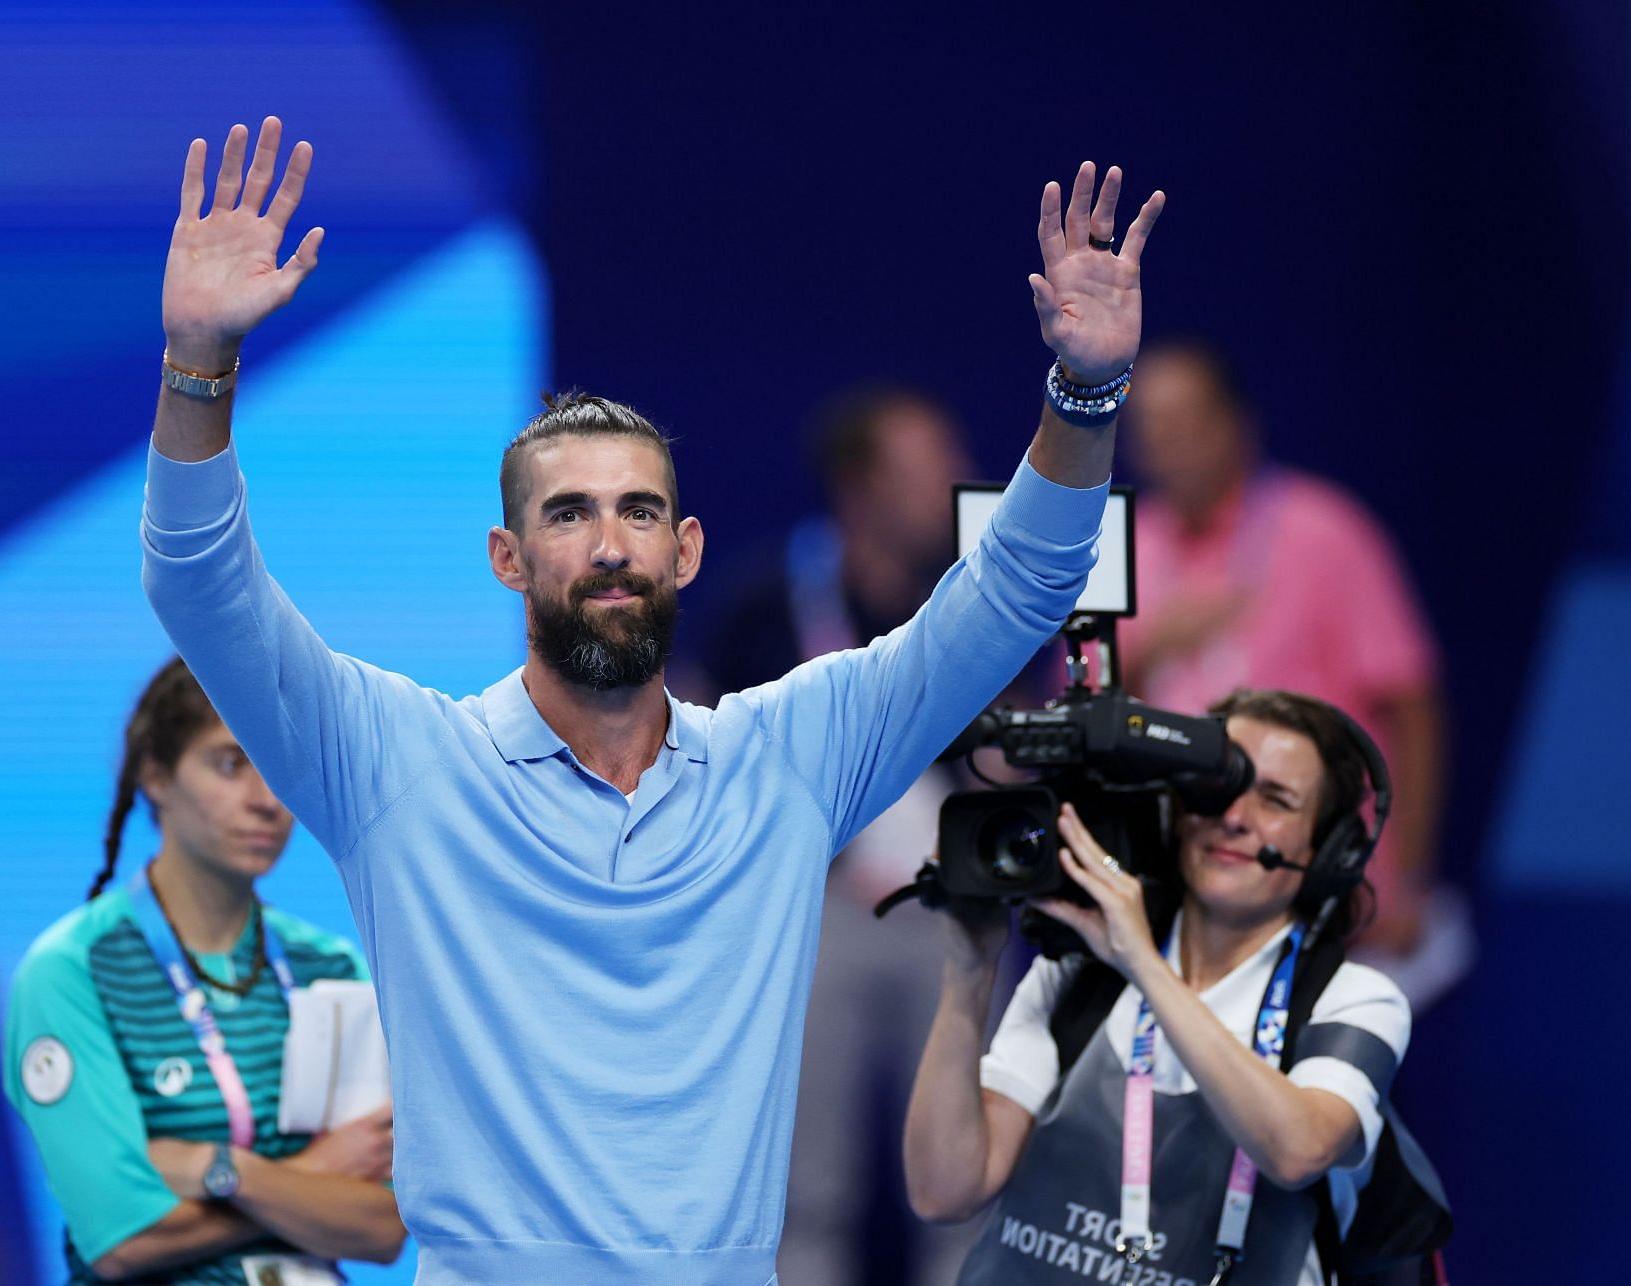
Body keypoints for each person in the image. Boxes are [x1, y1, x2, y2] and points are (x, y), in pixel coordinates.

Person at [141, 114, 1163, 1281]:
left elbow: (1018, 586)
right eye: (567, 513)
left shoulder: (787, 757)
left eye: (636, 511)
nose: (609, 541)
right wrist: (198, 367)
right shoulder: (398, 760)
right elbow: (198, 585)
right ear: (506, 558)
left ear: (684, 550)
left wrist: (1085, 390)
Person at [903, 689, 1412, 1285]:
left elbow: (1298, 1150)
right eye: (1216, 786)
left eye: (1275, 799)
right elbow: (944, 1192)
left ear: (1327, 850)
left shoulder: (1355, 1000)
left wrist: (1142, 962)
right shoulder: (1080, 976)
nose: (1235, 815)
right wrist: (969, 973)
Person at [690, 387, 987, 1286]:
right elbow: (697, 738)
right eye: (927, 463)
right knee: (804, 1183)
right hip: (813, 920)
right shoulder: (763, 603)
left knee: (968, 1181)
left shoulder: (980, 599)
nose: (956, 479)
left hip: (955, 913)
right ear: (858, 488)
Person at [4, 658, 405, 1283]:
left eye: (277, 767)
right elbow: (122, 1240)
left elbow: (382, 1229)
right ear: (156, 778)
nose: (267, 800)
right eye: (229, 763)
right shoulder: (72, 973)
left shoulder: (331, 967)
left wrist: (224, 1171)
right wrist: (314, 1177)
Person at [1115, 342, 1452, 983]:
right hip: (1174, 889)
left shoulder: (1322, 531)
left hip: (1320, 884)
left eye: (1184, 422)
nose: (1165, 443)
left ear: (1236, 425)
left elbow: (1413, 706)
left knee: (1313, 1078)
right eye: (1148, 425)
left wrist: (1408, 871)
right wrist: (1153, 647)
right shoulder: (1123, 542)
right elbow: (1083, 714)